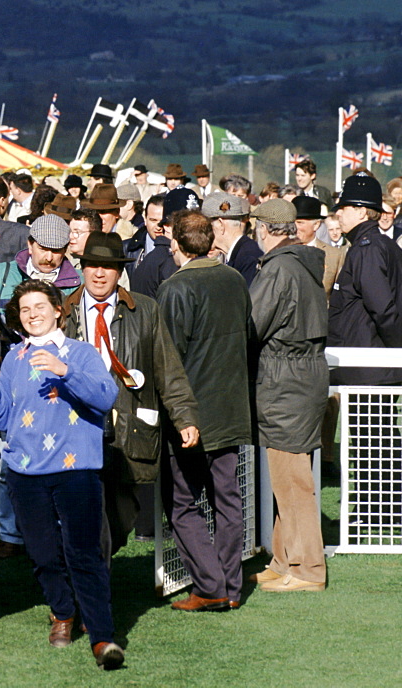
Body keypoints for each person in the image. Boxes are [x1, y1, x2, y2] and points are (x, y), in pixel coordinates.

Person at [0, 279, 124, 670]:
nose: (33, 314)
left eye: (40, 306)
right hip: (25, 473)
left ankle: (103, 635)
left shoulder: (83, 353)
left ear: (58, 310)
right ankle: (62, 612)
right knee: (42, 555)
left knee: (83, 553)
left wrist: (64, 370)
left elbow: (106, 397)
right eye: (24, 310)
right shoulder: (13, 358)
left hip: (77, 471)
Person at [63, 231, 199, 556]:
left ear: (119, 271)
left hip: (127, 430)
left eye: (108, 267)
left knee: (121, 517)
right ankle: (88, 584)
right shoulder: (62, 310)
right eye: (93, 265)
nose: (99, 273)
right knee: (82, 516)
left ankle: (97, 565)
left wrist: (185, 418)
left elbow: (168, 370)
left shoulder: (146, 311)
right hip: (75, 429)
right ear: (82, 267)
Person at [156, 209, 252, 611]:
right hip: (230, 409)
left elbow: (167, 357)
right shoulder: (234, 279)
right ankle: (229, 587)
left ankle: (212, 586)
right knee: (228, 502)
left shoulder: (176, 288)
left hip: (191, 416)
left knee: (181, 504)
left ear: (175, 244)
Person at [248, 198, 329, 592]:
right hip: (302, 377)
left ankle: (309, 568)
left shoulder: (278, 269)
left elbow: (252, 325)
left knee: (293, 480)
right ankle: (284, 559)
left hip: (286, 382)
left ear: (263, 229)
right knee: (287, 476)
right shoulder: (301, 263)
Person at [329, 174, 402, 526]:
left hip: (368, 361)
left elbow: (384, 308)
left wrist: (389, 351)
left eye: (345, 209)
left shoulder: (367, 250)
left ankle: (375, 513)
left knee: (371, 445)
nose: (339, 216)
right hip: (376, 360)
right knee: (379, 441)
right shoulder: (385, 246)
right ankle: (383, 511)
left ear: (361, 212)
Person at [0, 214, 80, 311]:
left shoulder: (80, 282)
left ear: (65, 249)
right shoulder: (0, 274)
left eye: (56, 251)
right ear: (30, 245)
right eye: (43, 249)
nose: (49, 258)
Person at [204, 191, 262, 286]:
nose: (203, 233)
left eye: (206, 226)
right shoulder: (239, 254)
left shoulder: (248, 258)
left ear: (221, 225)